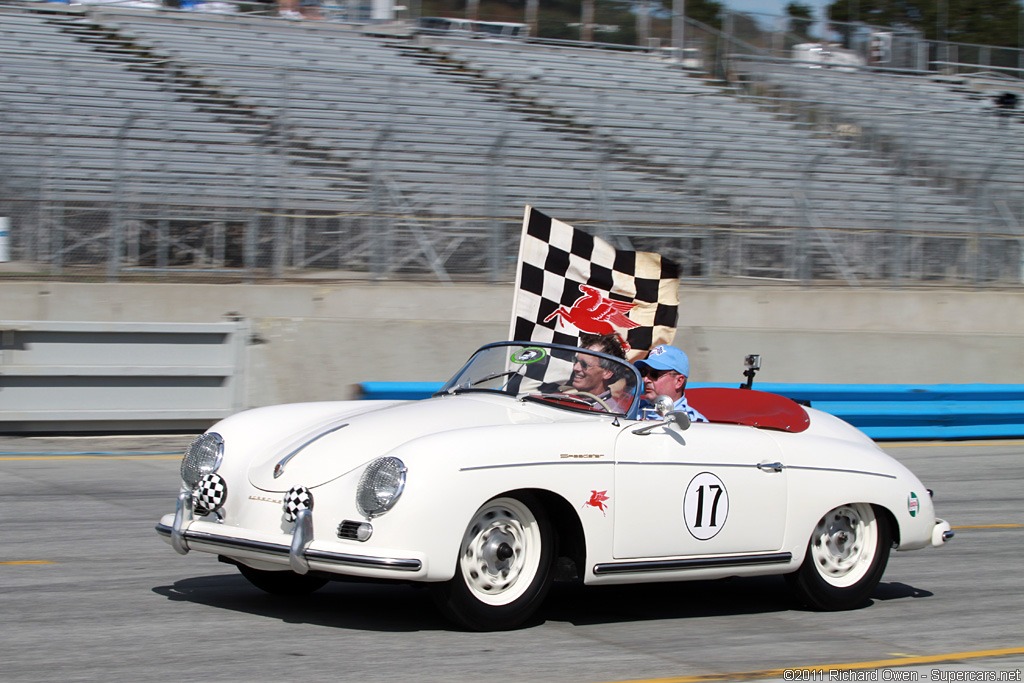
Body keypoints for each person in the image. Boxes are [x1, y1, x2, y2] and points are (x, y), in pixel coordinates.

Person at [635, 344, 708, 423]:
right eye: (644, 372)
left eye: (654, 374)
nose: (646, 379)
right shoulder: (633, 413)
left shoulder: (694, 423)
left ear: (679, 381)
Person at [569, 333, 634, 412]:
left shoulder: (611, 415)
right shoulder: (562, 399)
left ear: (607, 373)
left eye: (584, 364)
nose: (575, 368)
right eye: (575, 361)